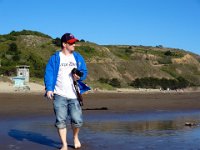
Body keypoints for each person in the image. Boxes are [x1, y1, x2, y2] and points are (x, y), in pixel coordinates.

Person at [44, 33, 90, 150]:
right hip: (59, 94)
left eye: (74, 42)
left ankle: (75, 137)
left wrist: (80, 77)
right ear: (64, 44)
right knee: (60, 121)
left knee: (77, 120)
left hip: (74, 94)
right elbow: (49, 73)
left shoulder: (78, 57)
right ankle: (64, 144)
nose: (74, 44)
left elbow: (84, 71)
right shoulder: (55, 58)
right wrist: (49, 89)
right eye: (71, 43)